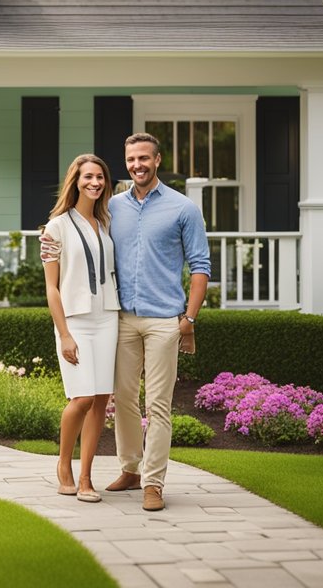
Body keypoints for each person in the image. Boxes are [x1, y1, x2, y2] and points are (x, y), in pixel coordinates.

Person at [104, 132, 210, 512]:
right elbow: (81, 233)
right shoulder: (112, 206)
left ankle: (154, 482)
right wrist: (48, 241)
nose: (138, 165)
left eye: (144, 158)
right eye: (132, 159)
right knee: (125, 400)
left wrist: (189, 320)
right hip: (123, 319)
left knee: (159, 405)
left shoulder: (184, 208)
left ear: (158, 160)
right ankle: (130, 469)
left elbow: (200, 267)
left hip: (165, 320)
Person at [40, 154, 121, 503]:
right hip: (75, 320)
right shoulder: (55, 227)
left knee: (101, 398)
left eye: (100, 177)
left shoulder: (105, 224)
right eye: (88, 176)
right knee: (82, 397)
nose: (95, 183)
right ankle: (63, 464)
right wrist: (65, 335)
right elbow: (51, 288)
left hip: (107, 317)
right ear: (75, 180)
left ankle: (87, 476)